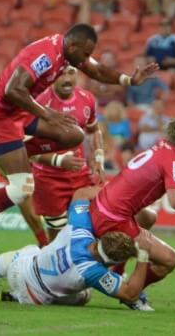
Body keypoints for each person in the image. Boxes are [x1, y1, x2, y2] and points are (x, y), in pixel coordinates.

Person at [0, 24, 158, 257]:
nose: (86, 59)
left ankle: (17, 149)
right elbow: (13, 89)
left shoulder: (68, 54)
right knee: (21, 189)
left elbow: (96, 70)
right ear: (73, 45)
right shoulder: (45, 55)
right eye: (84, 54)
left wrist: (128, 80)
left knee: (74, 134)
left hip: (20, 113)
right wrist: (47, 114)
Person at [79, 118, 175, 310]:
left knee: (148, 216)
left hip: (100, 206)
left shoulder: (163, 149)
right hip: (113, 219)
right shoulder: (171, 160)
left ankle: (118, 270)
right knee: (169, 260)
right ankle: (131, 293)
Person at [0, 199, 152, 309]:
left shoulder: (80, 229)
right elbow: (130, 294)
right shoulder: (94, 273)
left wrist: (107, 194)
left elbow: (81, 193)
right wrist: (143, 257)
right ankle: (17, 298)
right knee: (84, 295)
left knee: (30, 251)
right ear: (111, 262)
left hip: (19, 273)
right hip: (36, 299)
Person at [27, 66, 104, 241]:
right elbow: (25, 149)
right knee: (57, 234)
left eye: (71, 73)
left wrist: (98, 159)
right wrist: (58, 160)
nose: (67, 79)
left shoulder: (87, 99)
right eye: (61, 74)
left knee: (91, 225)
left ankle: (86, 265)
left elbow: (94, 131)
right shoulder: (38, 103)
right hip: (48, 178)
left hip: (80, 174)